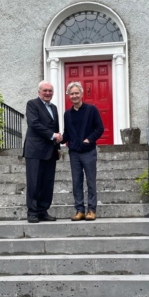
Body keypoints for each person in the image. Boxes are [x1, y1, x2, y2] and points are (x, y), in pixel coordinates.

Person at [62, 81, 104, 221]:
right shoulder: (67, 114)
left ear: (81, 94)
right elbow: (67, 133)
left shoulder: (91, 109)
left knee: (91, 181)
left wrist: (89, 139)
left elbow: (100, 129)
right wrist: (61, 139)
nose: (74, 96)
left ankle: (91, 210)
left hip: (88, 152)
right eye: (71, 94)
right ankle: (79, 210)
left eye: (76, 93)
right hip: (74, 152)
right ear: (69, 95)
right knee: (76, 182)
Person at [23, 80, 62, 223]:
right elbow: (34, 124)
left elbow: (55, 128)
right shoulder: (32, 104)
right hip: (35, 150)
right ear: (39, 92)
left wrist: (57, 148)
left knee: (47, 182)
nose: (47, 93)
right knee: (34, 182)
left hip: (50, 151)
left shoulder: (54, 108)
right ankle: (32, 212)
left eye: (50, 91)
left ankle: (43, 210)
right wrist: (52, 136)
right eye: (45, 90)